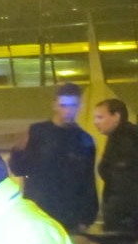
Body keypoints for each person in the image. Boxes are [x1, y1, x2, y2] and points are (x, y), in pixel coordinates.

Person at [10, 82, 97, 233]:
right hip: (43, 212)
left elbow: (88, 181)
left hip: (65, 215)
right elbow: (19, 168)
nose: (68, 111)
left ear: (79, 106)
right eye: (64, 105)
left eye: (72, 106)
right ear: (55, 105)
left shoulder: (84, 139)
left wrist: (86, 217)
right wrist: (18, 151)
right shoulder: (39, 132)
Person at [93, 97, 138, 233]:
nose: (96, 122)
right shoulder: (125, 136)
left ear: (116, 116)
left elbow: (123, 182)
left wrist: (114, 215)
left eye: (100, 117)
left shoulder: (123, 139)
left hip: (123, 218)